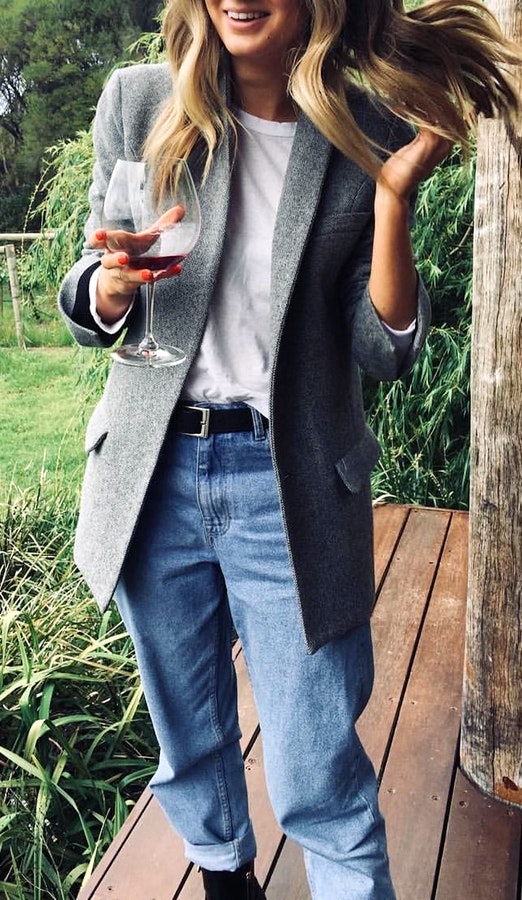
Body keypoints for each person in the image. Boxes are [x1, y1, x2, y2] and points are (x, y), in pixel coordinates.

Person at [58, 1, 520, 897]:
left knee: (320, 774)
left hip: (288, 482)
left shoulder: (362, 129)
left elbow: (383, 348)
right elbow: (89, 288)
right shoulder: (140, 100)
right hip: (154, 477)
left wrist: (393, 198)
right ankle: (226, 879)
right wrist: (110, 282)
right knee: (190, 744)